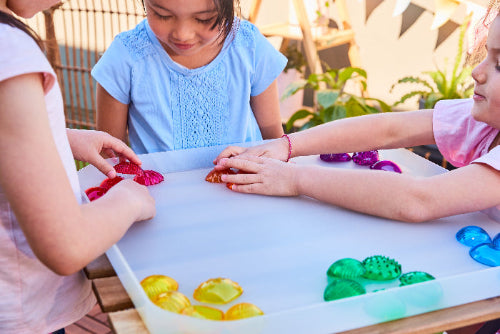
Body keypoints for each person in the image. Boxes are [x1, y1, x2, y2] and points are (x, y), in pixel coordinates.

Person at [214, 4, 500, 224]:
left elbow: (420, 201)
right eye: (486, 54)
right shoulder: (485, 121)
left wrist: (294, 179)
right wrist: (286, 145)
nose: (477, 71)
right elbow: (390, 130)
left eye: (499, 64)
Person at [0, 1, 156, 333]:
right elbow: (66, 246)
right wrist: (130, 199)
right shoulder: (9, 52)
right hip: (19, 312)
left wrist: (58, 136)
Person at [92, 0, 287, 155]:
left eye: (203, 18)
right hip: (159, 199)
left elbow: (274, 142)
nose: (182, 34)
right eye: (163, 15)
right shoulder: (125, 57)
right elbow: (109, 157)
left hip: (244, 194)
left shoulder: (249, 47)